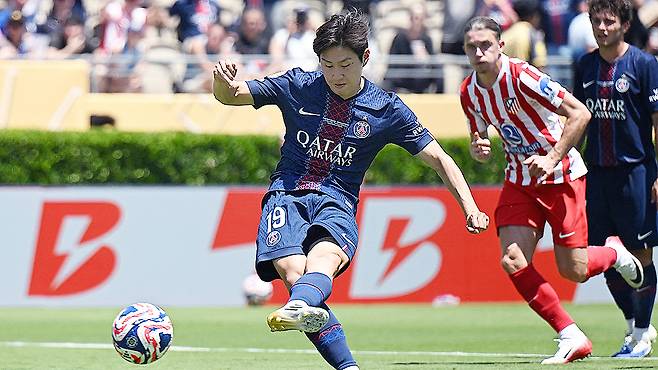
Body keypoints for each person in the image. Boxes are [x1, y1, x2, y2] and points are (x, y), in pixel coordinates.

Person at [213, 10, 490, 370]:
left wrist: (470, 207)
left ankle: (305, 308)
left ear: (365, 58)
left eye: (345, 64)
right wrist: (222, 81)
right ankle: (343, 359)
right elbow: (230, 95)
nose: (336, 74)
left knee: (324, 260)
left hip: (337, 201)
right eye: (327, 65)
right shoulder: (297, 85)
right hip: (286, 194)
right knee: (295, 274)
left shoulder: (386, 109)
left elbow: (439, 157)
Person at [460, 16, 644, 364]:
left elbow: (580, 113)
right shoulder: (468, 91)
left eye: (486, 44)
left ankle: (614, 254)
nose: (479, 52)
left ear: (501, 45)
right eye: (472, 46)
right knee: (512, 260)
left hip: (561, 175)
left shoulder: (523, 76)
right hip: (519, 180)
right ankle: (570, 335)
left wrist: (552, 156)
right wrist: (478, 146)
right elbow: (478, 136)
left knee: (572, 269)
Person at [573, 0, 658, 358]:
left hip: (635, 173)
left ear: (624, 25)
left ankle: (641, 333)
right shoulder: (585, 65)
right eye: (596, 21)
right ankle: (632, 325)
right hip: (598, 177)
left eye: (609, 21)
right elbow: (576, 119)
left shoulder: (644, 64)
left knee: (640, 255)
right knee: (607, 258)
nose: (602, 27)